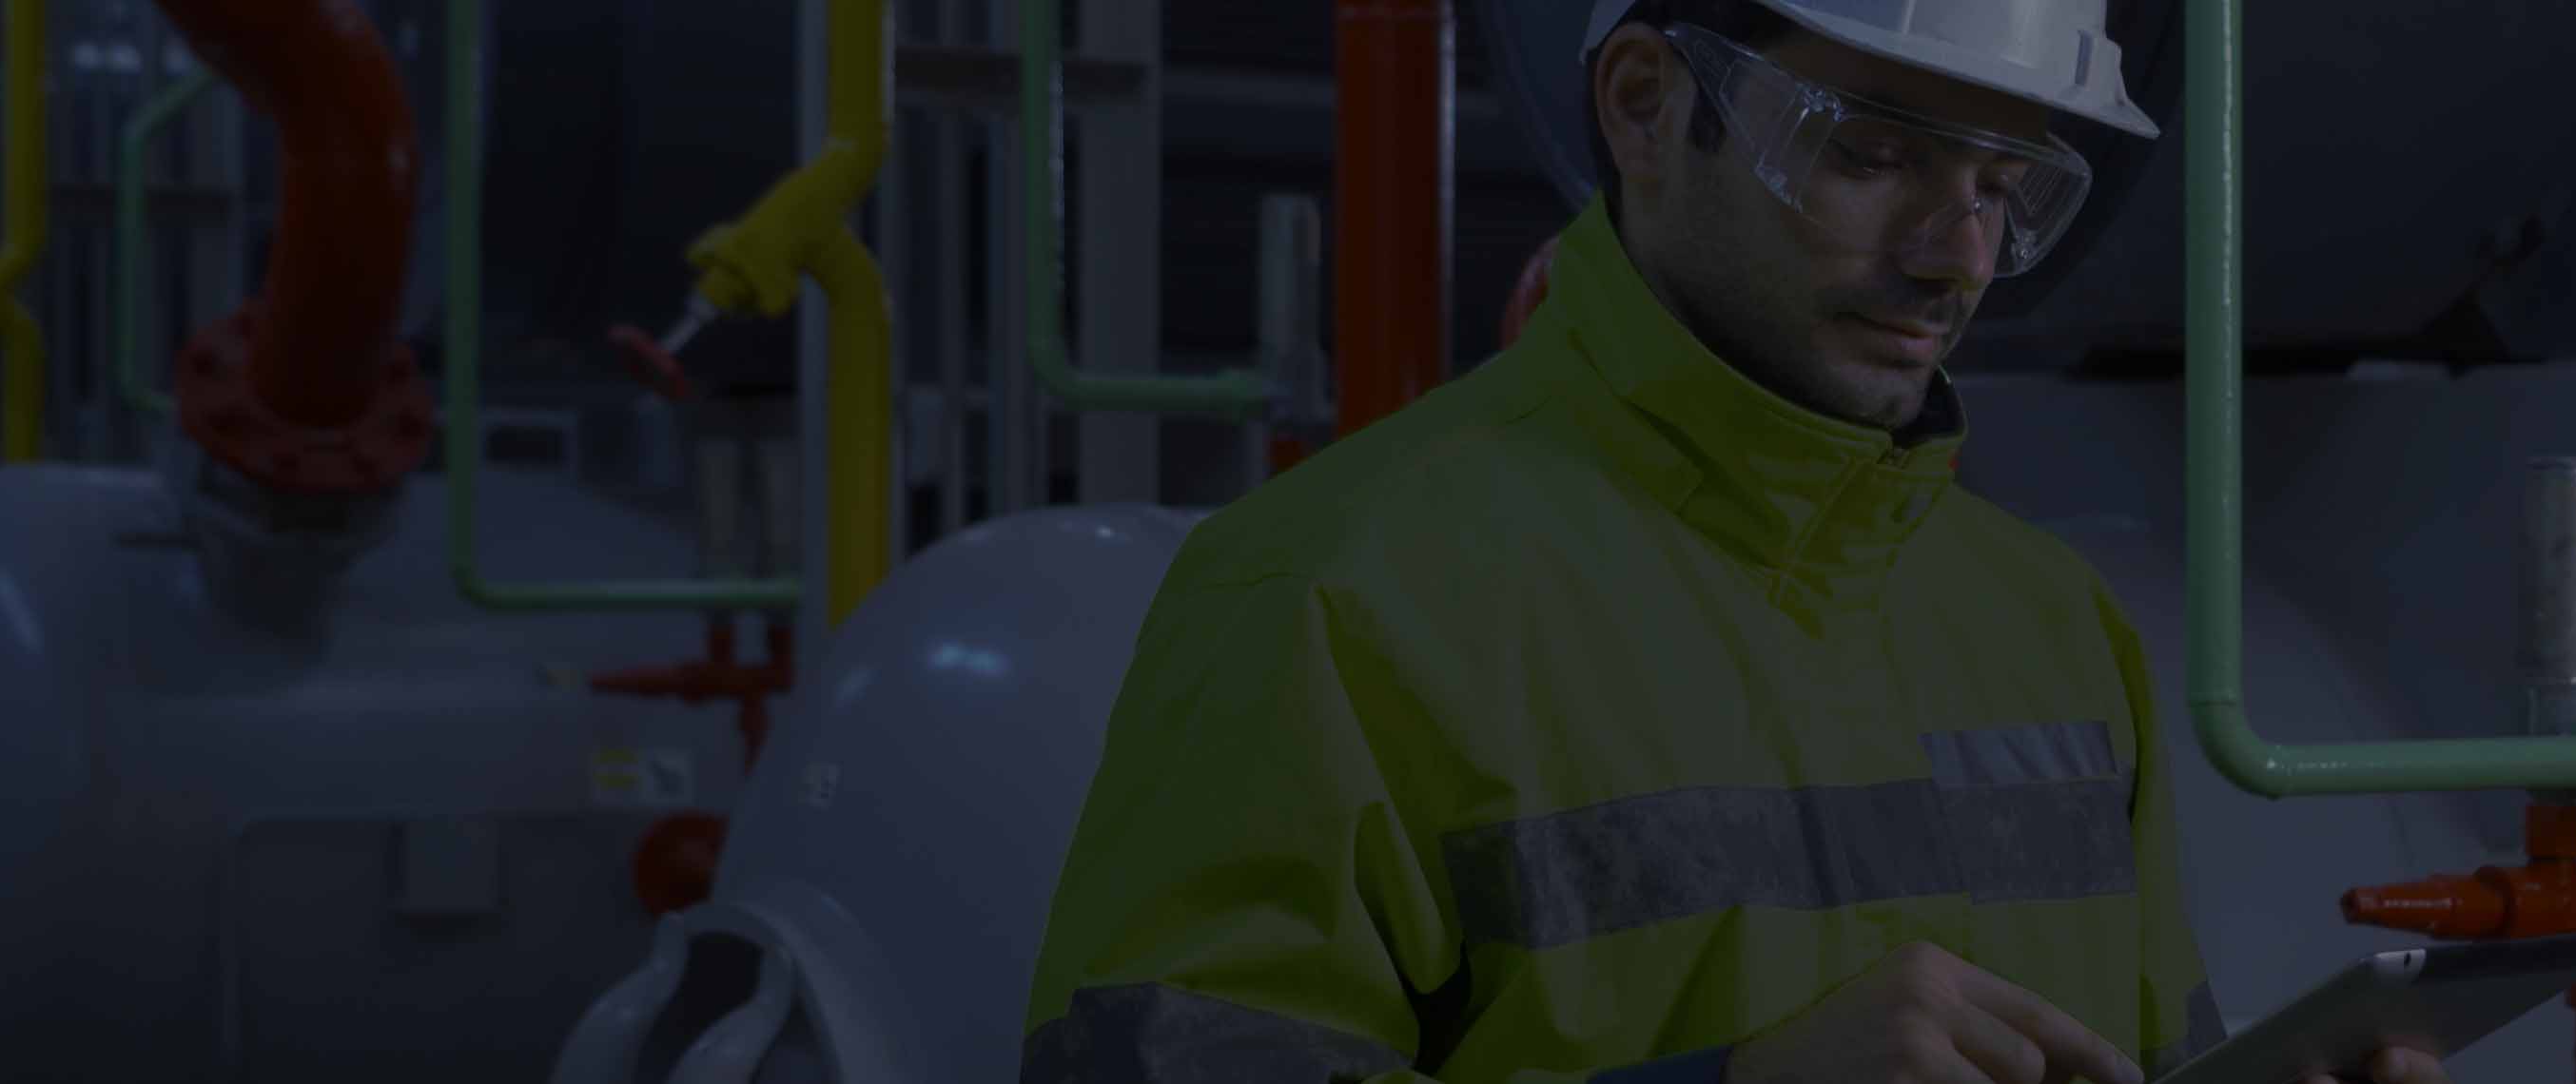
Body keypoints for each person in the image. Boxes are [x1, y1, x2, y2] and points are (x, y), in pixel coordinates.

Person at [1019, 2, 2453, 1082]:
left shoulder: (2053, 627)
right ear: (1647, 107)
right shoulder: (1325, 597)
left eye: (2003, 187)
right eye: (1875, 153)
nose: (1954, 256)